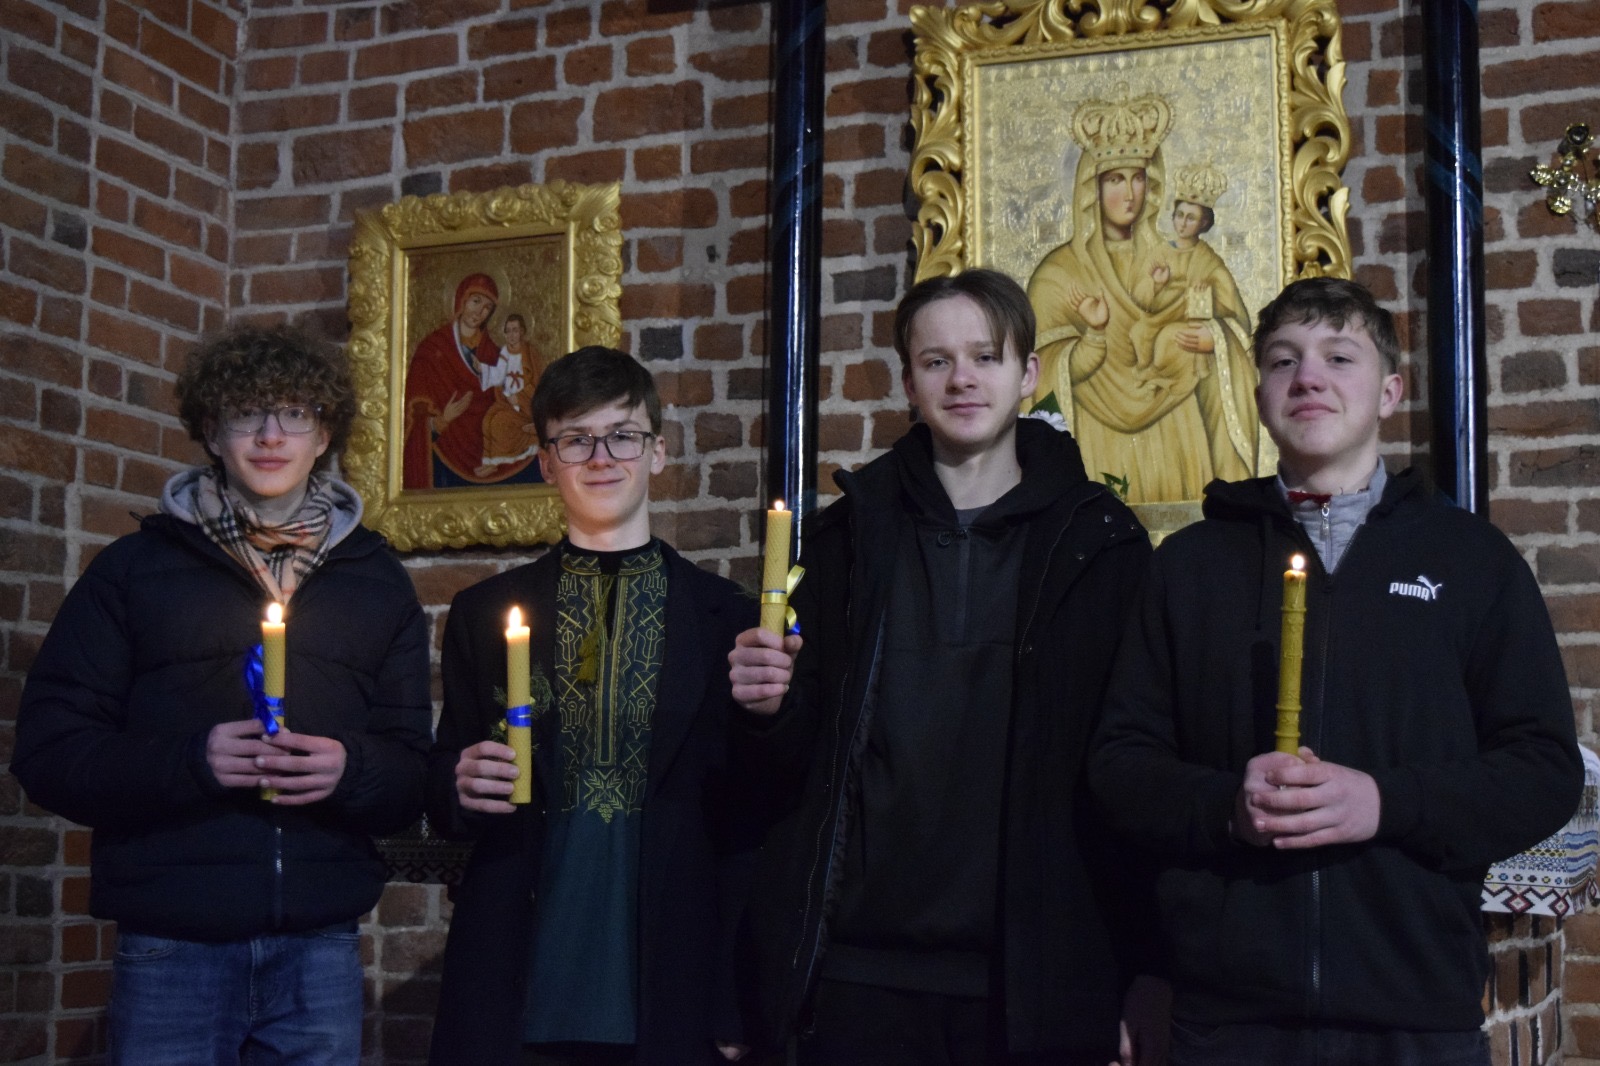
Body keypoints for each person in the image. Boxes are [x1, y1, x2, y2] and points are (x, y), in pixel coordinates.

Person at [1090, 277, 1585, 1065]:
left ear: (1390, 392)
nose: (1308, 377)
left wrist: (1384, 803)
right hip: (1227, 1016)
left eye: (1339, 357)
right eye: (1283, 360)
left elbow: (1544, 770)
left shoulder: (1471, 561)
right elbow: (1120, 767)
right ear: (1259, 394)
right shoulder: (1189, 566)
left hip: (1413, 1010)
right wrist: (1228, 807)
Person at [729, 269, 1164, 1065]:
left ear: (1028, 374)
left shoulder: (1101, 547)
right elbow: (788, 773)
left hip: (1033, 976)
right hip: (858, 970)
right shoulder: (845, 541)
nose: (962, 379)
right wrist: (765, 712)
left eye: (985, 357)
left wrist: (1145, 967)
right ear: (908, 382)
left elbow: (1131, 771)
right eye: (937, 361)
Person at [12, 325, 433, 1063]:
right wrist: (192, 762)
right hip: (172, 945)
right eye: (247, 413)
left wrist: (351, 769)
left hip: (319, 947)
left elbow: (410, 772)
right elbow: (49, 754)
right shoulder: (133, 572)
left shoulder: (376, 581)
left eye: (295, 413)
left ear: (324, 433)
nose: (271, 435)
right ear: (211, 430)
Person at [428, 346, 757, 1066]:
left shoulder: (726, 619)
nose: (601, 458)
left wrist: (736, 992)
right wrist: (458, 782)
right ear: (546, 462)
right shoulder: (484, 613)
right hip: (519, 966)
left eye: (622, 436)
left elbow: (748, 820)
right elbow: (448, 789)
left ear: (658, 451)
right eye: (576, 439)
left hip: (670, 969)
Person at [1027, 91, 1259, 502]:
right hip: (1095, 443)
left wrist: (1216, 339)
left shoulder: (1182, 257)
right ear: (1091, 189)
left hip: (1180, 432)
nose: (1130, 193)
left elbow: (1241, 333)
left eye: (1138, 178)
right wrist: (1093, 338)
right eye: (1115, 180)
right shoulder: (1059, 273)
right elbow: (1035, 379)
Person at [403, 272, 508, 488]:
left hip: (489, 454)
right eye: (475, 301)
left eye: (487, 307)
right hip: (445, 457)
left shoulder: (495, 356)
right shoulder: (431, 351)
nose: (479, 311)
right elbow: (410, 420)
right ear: (461, 299)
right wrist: (442, 420)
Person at [475, 312, 543, 478]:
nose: (512, 335)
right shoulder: (505, 351)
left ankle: (499, 462)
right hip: (507, 401)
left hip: (526, 406)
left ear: (522, 332)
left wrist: (519, 398)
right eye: (508, 331)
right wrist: (482, 368)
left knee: (499, 423)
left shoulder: (530, 353)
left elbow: (538, 383)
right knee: (487, 419)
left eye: (515, 330)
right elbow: (499, 375)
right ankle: (489, 462)